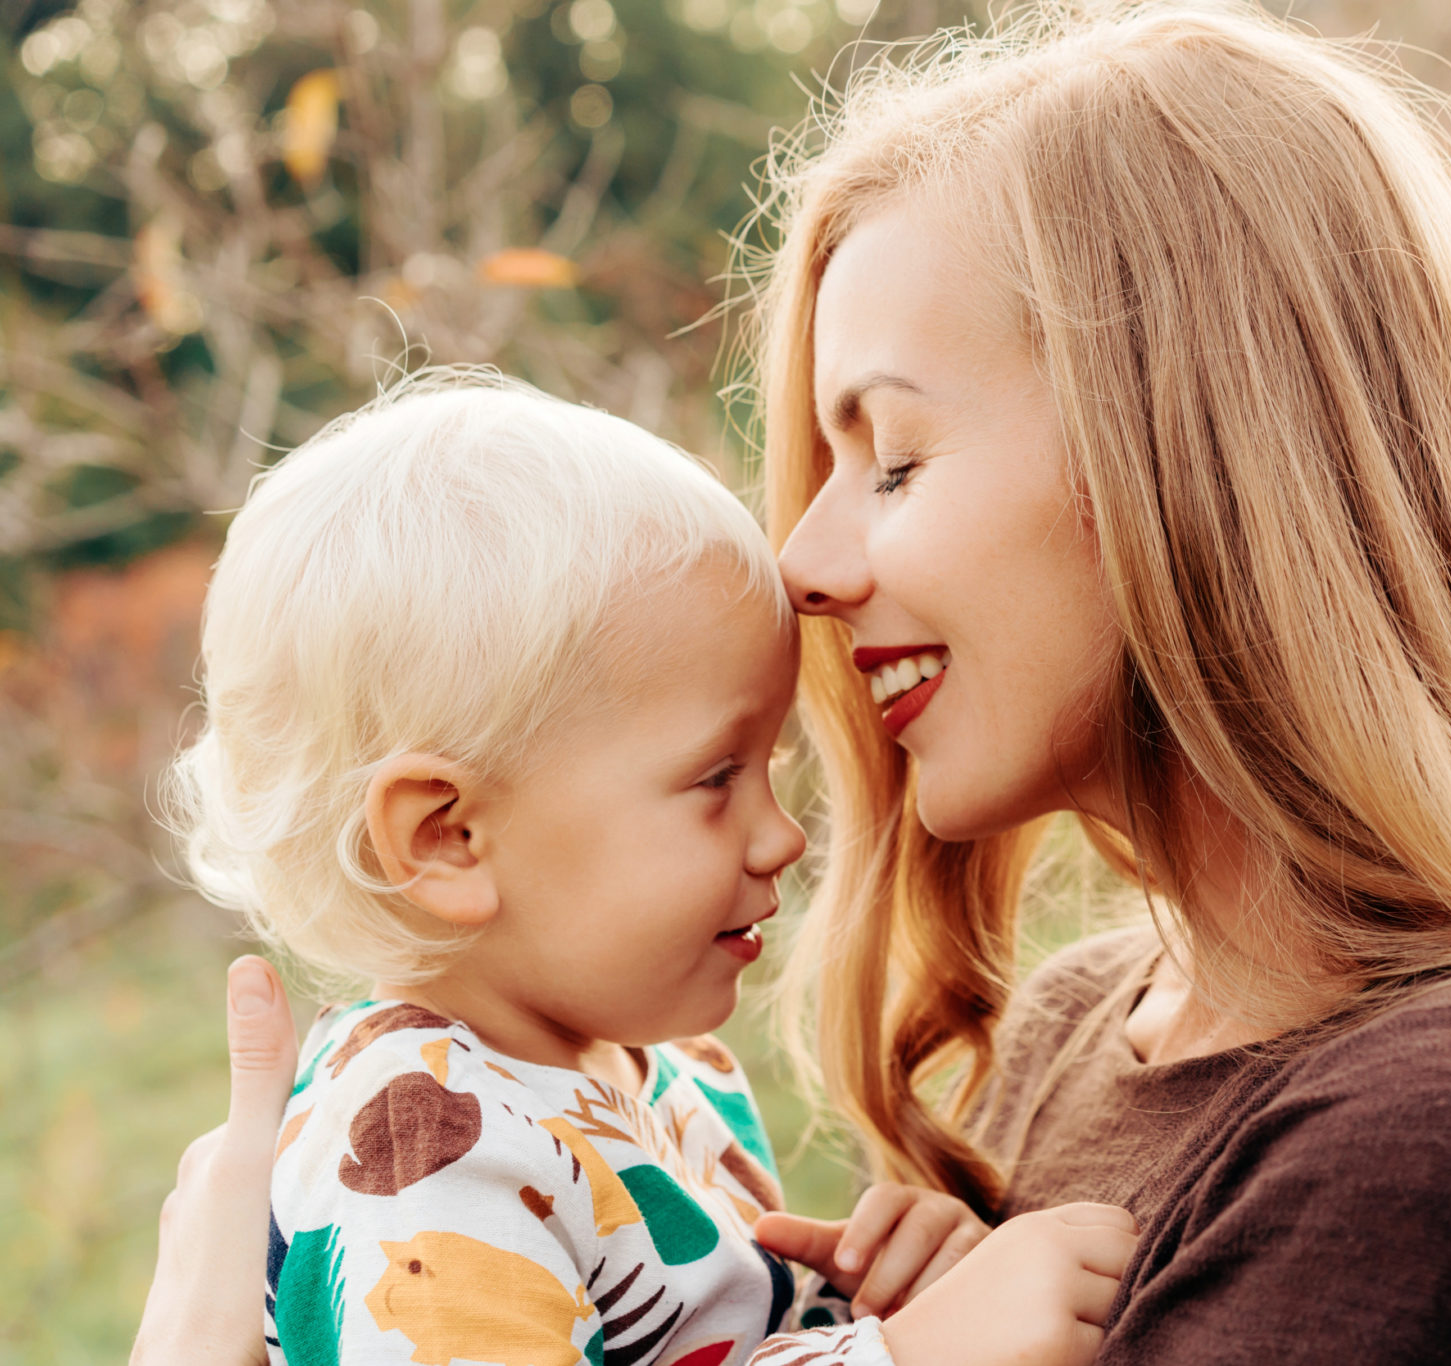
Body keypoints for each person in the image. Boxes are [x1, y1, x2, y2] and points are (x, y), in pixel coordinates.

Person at [136, 6, 1451, 1365]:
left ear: (1197, 470)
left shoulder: (1436, 1145)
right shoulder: (1090, 1028)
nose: (812, 563)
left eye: (893, 458)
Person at [150, 372, 1134, 1366]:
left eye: (771, 769)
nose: (781, 837)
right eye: (716, 777)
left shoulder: (656, 1076)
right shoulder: (420, 1138)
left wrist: (876, 1306)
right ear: (447, 837)